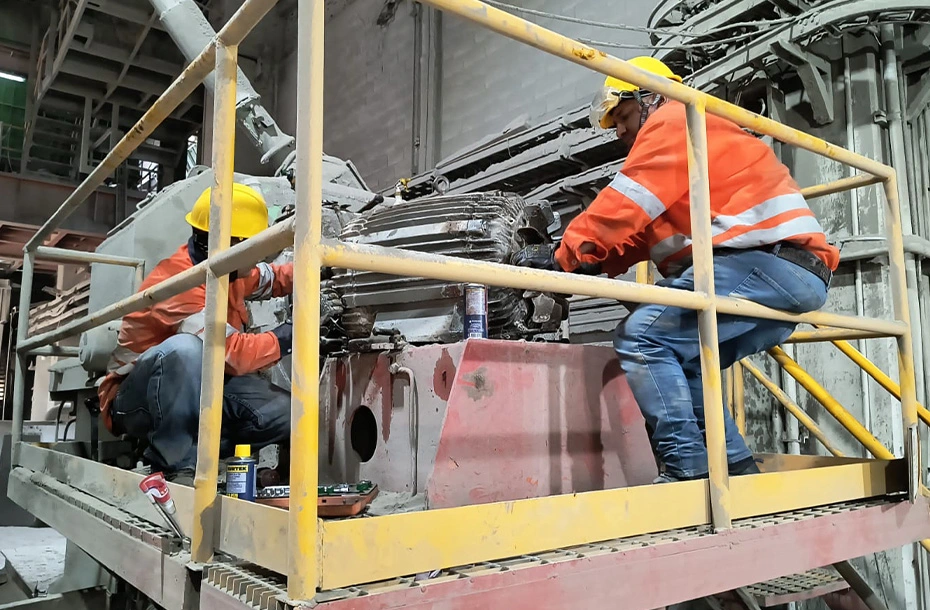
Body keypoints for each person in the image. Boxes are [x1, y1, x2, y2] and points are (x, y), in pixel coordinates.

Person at [514, 57, 839, 482]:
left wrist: (561, 255)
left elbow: (624, 207)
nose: (619, 130)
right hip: (788, 274)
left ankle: (686, 469)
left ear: (651, 97)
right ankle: (735, 466)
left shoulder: (675, 118)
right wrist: (585, 262)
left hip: (768, 264)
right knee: (686, 357)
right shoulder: (691, 143)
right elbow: (640, 235)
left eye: (624, 116)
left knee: (642, 336)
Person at [97, 183, 294, 484]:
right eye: (255, 246)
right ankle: (177, 468)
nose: (259, 256)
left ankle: (203, 451)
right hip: (137, 400)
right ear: (232, 245)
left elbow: (272, 278)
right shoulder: (179, 281)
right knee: (186, 350)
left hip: (203, 387)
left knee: (289, 412)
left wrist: (321, 266)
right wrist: (289, 335)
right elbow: (233, 352)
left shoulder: (227, 268)